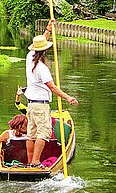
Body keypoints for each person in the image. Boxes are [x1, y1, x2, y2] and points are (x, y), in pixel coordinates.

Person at [24, 19, 78, 168]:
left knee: (31, 134)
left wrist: (48, 31)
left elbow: (40, 44)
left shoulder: (29, 59)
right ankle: (35, 161)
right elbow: (52, 87)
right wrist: (68, 97)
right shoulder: (42, 68)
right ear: (45, 51)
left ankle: (30, 162)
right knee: (43, 133)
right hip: (41, 106)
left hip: (31, 105)